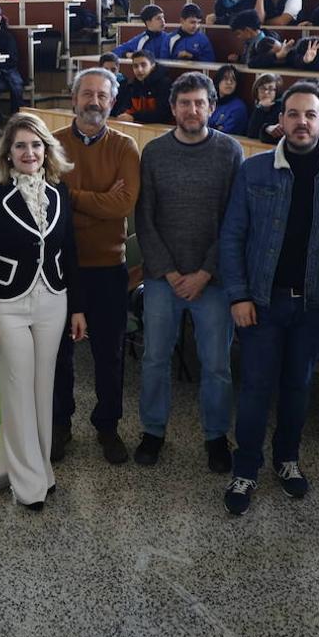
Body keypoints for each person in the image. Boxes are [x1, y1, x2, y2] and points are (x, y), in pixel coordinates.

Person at [218, 82, 319, 515]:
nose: (301, 122)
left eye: (310, 114)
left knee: (297, 387)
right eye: (293, 114)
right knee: (256, 389)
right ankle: (245, 467)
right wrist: (239, 295)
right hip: (262, 303)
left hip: (316, 307)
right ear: (279, 121)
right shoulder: (255, 169)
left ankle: (287, 460)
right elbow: (233, 236)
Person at [0, 113, 86, 510]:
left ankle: (42, 470)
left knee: (43, 389)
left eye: (36, 144)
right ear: (8, 153)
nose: (29, 152)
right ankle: (28, 485)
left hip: (53, 299)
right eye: (20, 145)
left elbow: (70, 254)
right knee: (18, 392)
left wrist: (77, 309)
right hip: (9, 305)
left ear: (46, 150)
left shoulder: (59, 192)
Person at [135, 71, 243, 470]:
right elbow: (144, 218)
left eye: (200, 103)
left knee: (216, 364)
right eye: (184, 103)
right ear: (173, 108)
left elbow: (236, 220)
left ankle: (216, 437)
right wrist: (168, 271)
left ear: (212, 107)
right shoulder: (156, 152)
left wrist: (204, 272)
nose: (192, 110)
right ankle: (153, 431)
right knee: (155, 359)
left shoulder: (230, 151)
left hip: (211, 280)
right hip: (164, 278)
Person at [51, 69, 140, 464]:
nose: (94, 102)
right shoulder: (51, 146)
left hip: (107, 266)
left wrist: (74, 200)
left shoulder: (125, 147)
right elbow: (49, 204)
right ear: (73, 99)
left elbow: (123, 206)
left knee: (109, 353)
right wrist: (97, 202)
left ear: (111, 101)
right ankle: (60, 425)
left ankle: (108, 425)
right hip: (59, 267)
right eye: (87, 94)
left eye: (102, 96)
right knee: (59, 354)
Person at [111, 51, 171, 124]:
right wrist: (124, 115)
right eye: (135, 66)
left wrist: (134, 117)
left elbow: (163, 114)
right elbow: (123, 108)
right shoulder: (132, 84)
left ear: (152, 66)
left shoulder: (165, 84)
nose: (139, 70)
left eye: (143, 65)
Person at [209, 65, 247, 135]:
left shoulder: (239, 107)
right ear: (218, 81)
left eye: (233, 80)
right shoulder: (211, 102)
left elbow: (225, 134)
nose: (229, 83)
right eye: (225, 79)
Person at [246, 73, 284, 143]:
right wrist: (260, 109)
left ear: (276, 91)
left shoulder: (280, 107)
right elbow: (251, 134)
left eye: (270, 89)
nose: (266, 92)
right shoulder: (256, 107)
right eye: (262, 88)